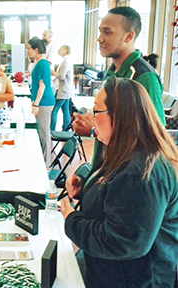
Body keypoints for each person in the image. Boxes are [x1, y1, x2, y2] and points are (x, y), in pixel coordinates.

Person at [60, 77, 178, 288]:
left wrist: (72, 218)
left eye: (96, 111)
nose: (91, 119)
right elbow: (119, 203)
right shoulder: (125, 151)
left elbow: (121, 241)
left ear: (120, 116)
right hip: (108, 271)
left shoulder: (142, 172)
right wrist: (84, 192)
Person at [74, 6, 165, 171]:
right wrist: (96, 119)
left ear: (129, 36)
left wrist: (94, 130)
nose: (100, 39)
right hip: (105, 171)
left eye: (107, 32)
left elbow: (154, 138)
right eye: (100, 32)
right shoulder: (112, 72)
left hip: (127, 177)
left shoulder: (144, 77)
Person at [27, 37, 55, 167]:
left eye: (29, 49)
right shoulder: (38, 62)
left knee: (44, 133)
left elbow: (42, 86)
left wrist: (36, 104)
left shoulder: (43, 63)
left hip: (44, 102)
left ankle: (46, 164)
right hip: (41, 101)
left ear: (36, 49)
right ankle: (43, 161)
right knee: (42, 131)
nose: (27, 51)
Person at [51, 45, 74, 131]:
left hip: (64, 90)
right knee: (65, 110)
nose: (58, 50)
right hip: (65, 89)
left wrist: (53, 73)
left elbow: (61, 76)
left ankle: (52, 130)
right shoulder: (65, 61)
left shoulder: (66, 62)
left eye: (60, 49)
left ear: (65, 51)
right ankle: (65, 129)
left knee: (54, 110)